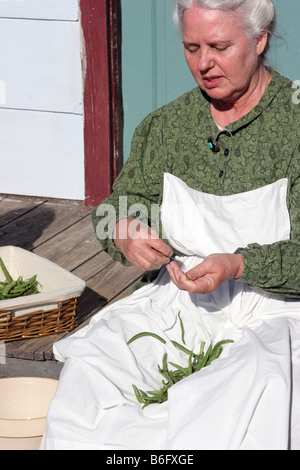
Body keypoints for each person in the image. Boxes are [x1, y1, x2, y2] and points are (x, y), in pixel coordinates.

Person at [41, 0, 300, 450]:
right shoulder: (165, 127)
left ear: (259, 41)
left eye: (219, 46)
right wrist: (124, 229)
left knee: (245, 403)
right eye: (191, 47)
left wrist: (238, 265)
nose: (204, 64)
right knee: (91, 382)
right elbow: (114, 207)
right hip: (178, 308)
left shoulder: (294, 122)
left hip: (278, 312)